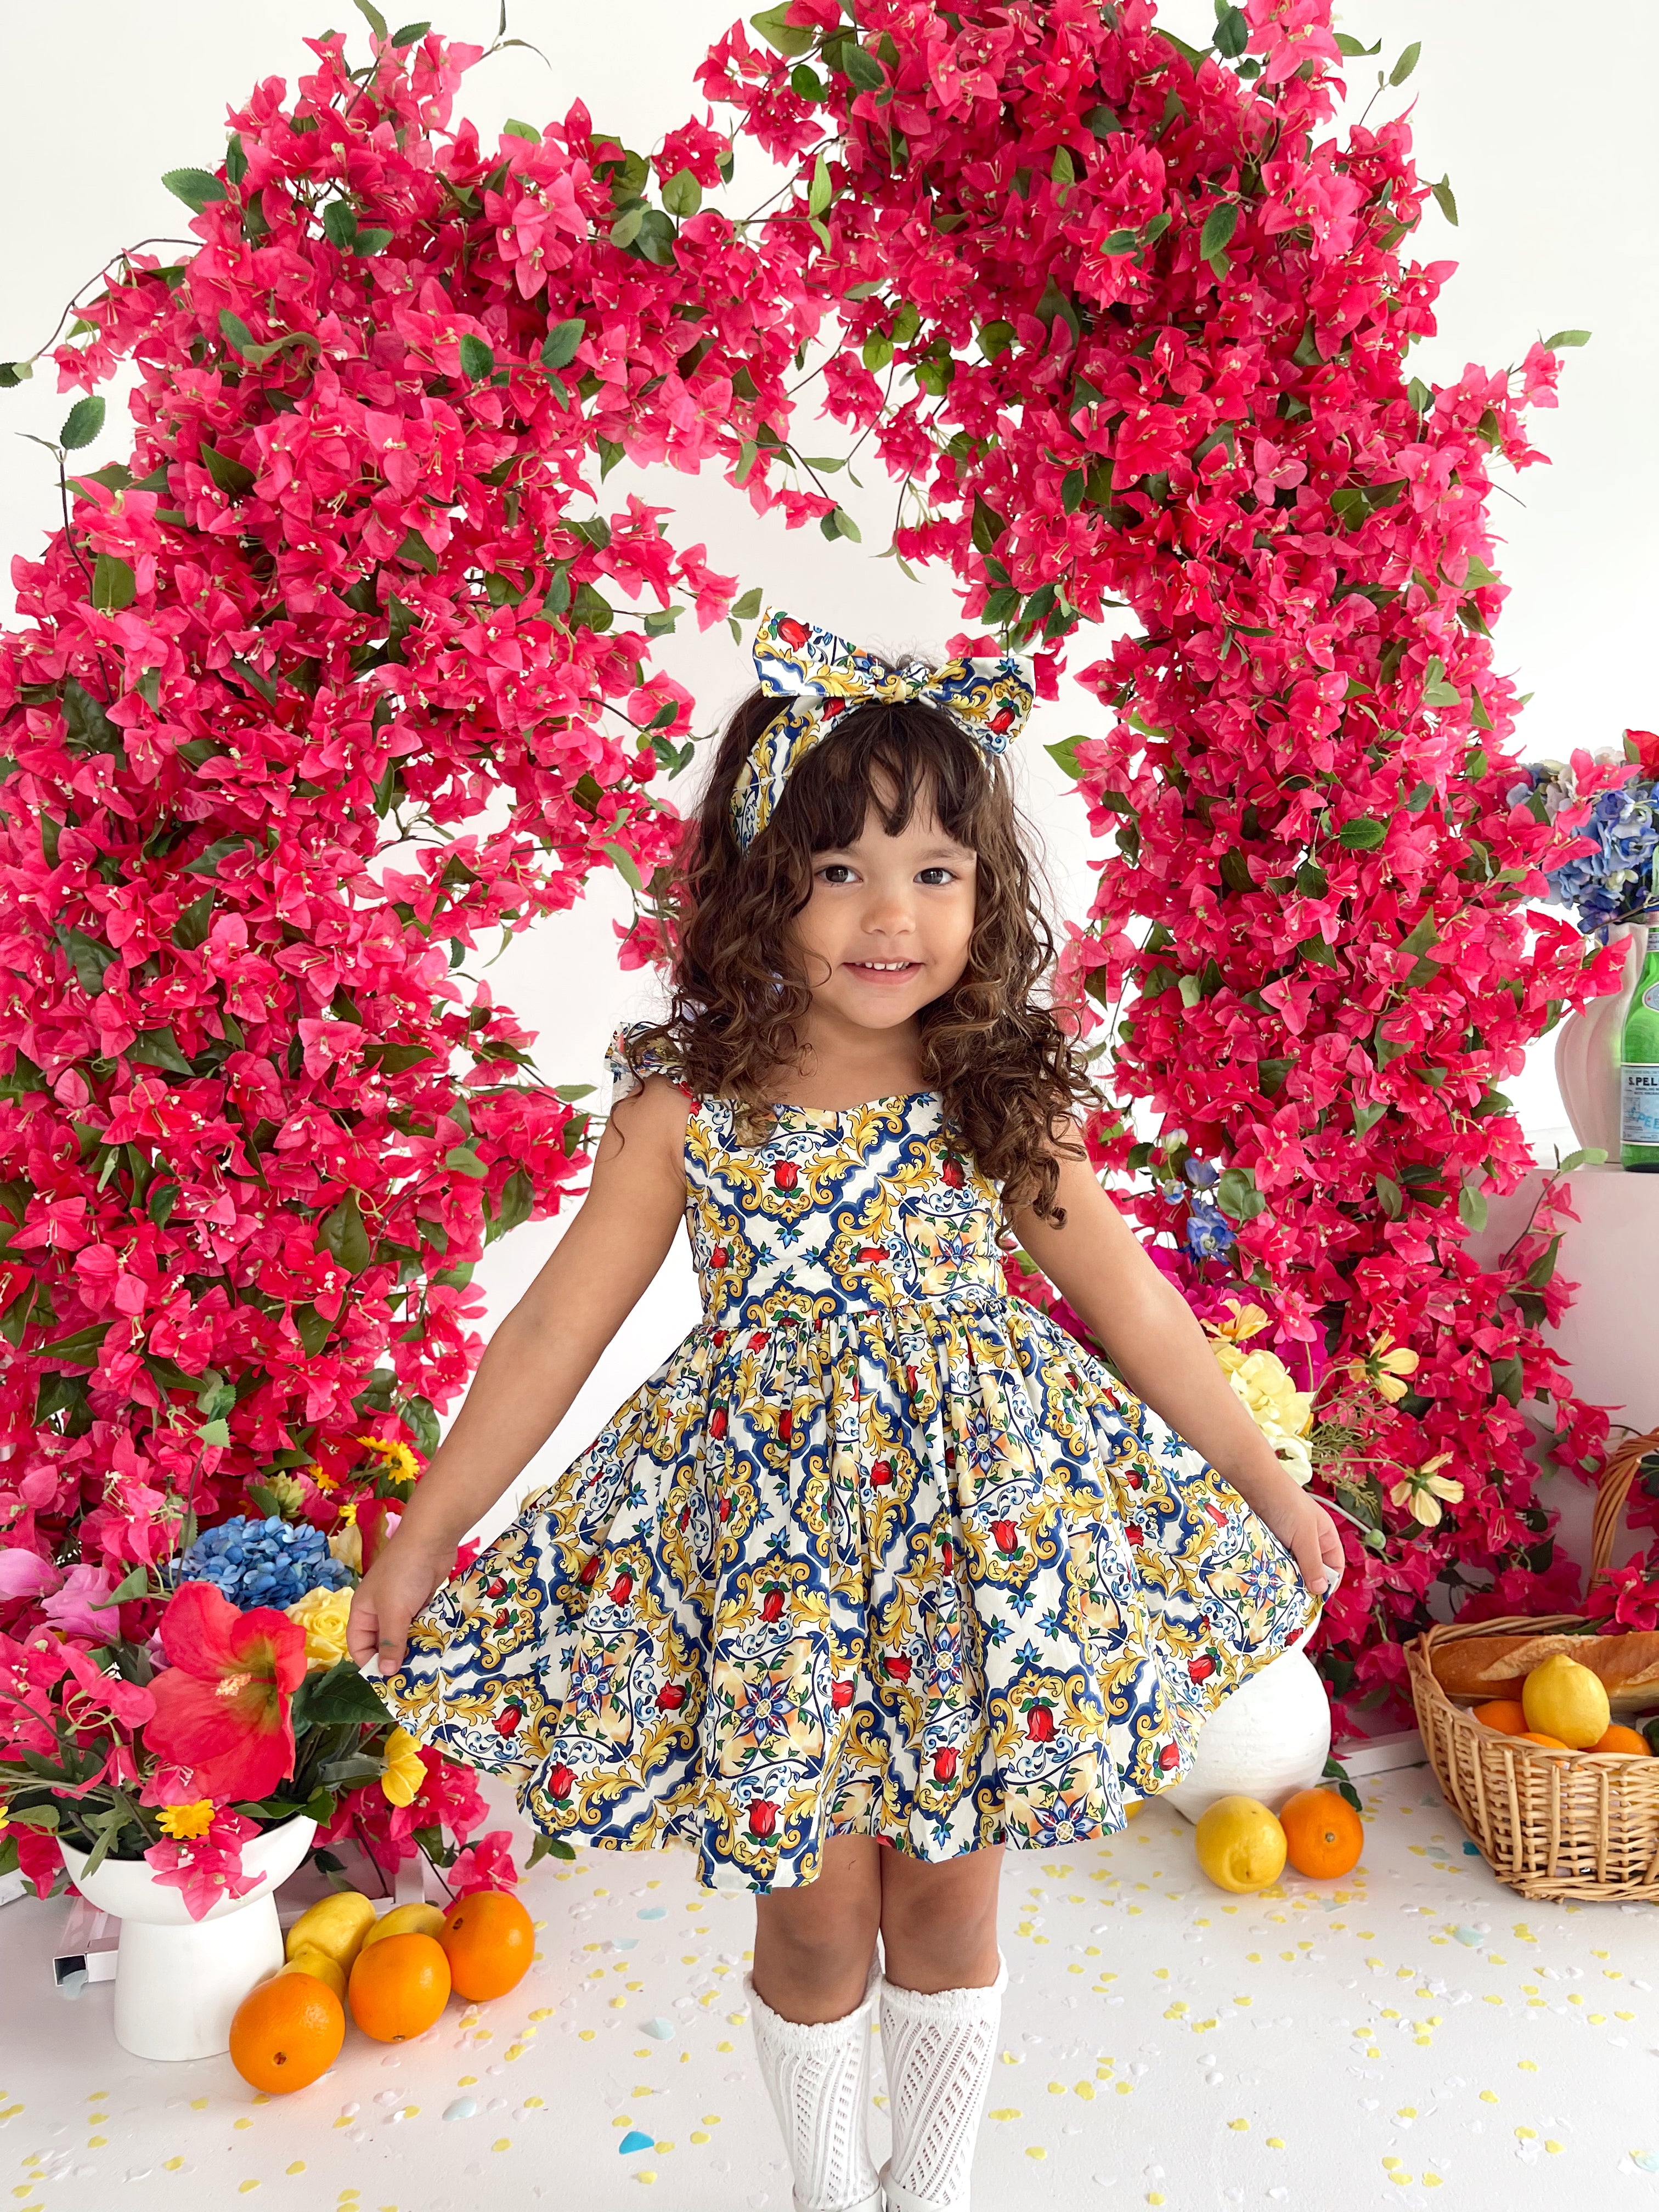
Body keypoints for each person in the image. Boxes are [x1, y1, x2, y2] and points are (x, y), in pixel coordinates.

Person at [347, 606, 1344, 2212]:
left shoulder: (992, 1094)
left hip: (968, 1562)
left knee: (947, 1903)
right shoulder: (689, 1109)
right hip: (775, 1574)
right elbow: (546, 1335)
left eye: (938, 870)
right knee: (812, 1921)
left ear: (987, 890)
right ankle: (830, 2196)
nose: (894, 915)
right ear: (763, 885)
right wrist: (423, 1535)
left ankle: (927, 2196)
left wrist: (1264, 1479)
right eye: (841, 870)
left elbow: (1136, 1307)